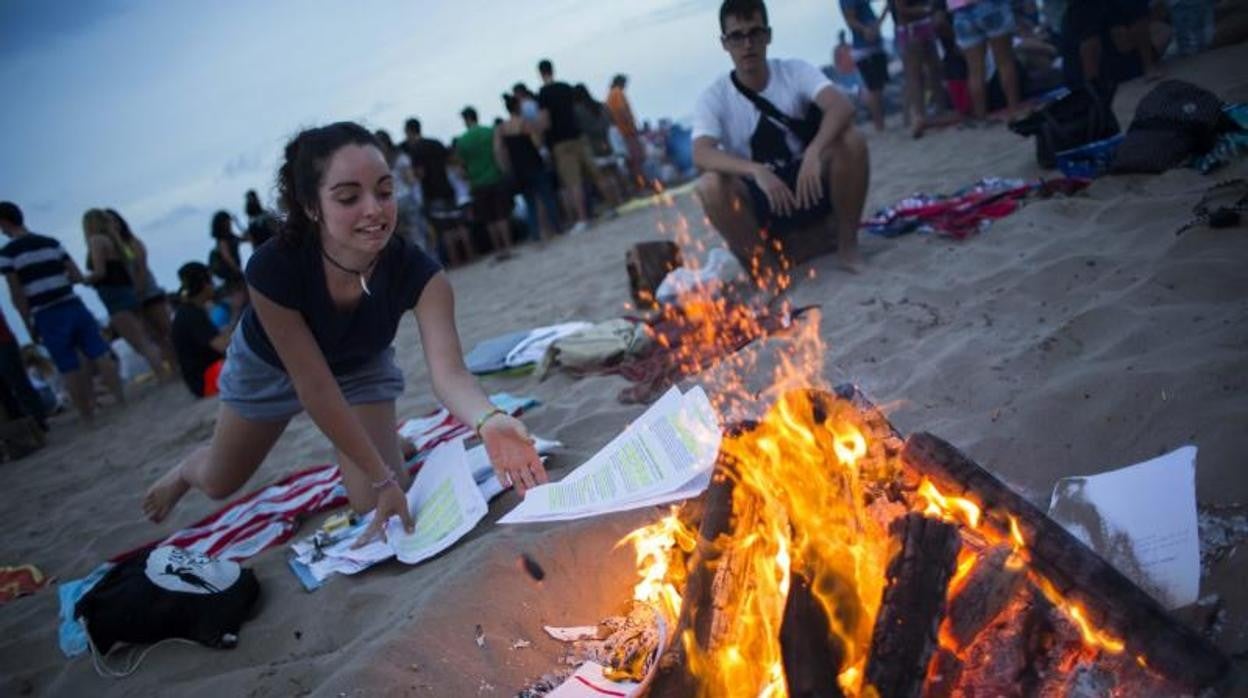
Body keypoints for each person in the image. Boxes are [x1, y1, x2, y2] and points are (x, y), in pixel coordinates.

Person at [141, 123, 546, 539]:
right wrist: (382, 476)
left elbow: (450, 374)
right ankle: (188, 468)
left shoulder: (420, 273)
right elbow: (314, 386)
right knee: (219, 482)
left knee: (372, 503)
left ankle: (378, 441)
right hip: (272, 367)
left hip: (358, 364)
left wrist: (489, 419)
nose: (374, 209)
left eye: (385, 192)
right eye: (350, 197)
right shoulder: (273, 267)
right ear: (312, 205)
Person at [692, 0, 868, 275]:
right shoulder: (715, 96)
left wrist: (814, 151)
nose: (747, 44)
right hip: (763, 198)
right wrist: (755, 170)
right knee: (709, 186)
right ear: (725, 43)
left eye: (755, 33)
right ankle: (768, 271)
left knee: (852, 141)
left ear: (768, 36)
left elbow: (841, 105)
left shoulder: (793, 71)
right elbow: (701, 153)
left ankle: (848, 245)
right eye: (737, 36)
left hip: (809, 183)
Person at [0, 201, 124, 420]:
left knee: (68, 365)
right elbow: (75, 275)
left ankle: (88, 416)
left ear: (4, 223)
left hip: (46, 312)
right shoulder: (51, 243)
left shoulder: (8, 254)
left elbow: (17, 293)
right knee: (98, 351)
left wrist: (28, 323)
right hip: (71, 302)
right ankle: (121, 400)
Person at [82, 208, 171, 382]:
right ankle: (166, 370)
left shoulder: (97, 241)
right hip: (128, 292)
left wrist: (81, 280)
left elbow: (100, 271)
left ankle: (162, 373)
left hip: (116, 296)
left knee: (142, 341)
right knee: (150, 337)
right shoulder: (116, 242)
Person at [536, 59, 619, 235]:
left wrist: (543, 142)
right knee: (596, 174)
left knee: (573, 182)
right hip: (578, 136)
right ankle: (612, 207)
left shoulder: (543, 94)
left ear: (540, 73)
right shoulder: (566, 88)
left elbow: (545, 119)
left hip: (560, 142)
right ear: (553, 70)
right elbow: (575, 111)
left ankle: (583, 219)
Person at [107, 208, 178, 375]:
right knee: (156, 336)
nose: (112, 225)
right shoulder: (112, 249)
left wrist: (138, 290)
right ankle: (173, 367)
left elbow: (141, 267)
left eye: (113, 221)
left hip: (148, 292)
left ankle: (180, 362)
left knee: (166, 330)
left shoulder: (132, 242)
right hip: (135, 296)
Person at [401, 117, 471, 265]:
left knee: (445, 230)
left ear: (409, 131)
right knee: (459, 224)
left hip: (431, 192)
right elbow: (452, 161)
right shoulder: (436, 142)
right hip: (447, 187)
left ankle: (456, 261)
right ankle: (471, 254)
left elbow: (420, 174)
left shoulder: (416, 150)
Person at [499, 94, 561, 240]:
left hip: (518, 170)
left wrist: (506, 168)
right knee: (547, 198)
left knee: (530, 203)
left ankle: (535, 233)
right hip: (533, 164)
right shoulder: (525, 123)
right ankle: (556, 228)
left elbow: (500, 150)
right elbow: (537, 143)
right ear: (518, 107)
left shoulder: (502, 128)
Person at [171, 262, 238, 398]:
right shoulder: (192, 314)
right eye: (210, 280)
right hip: (207, 380)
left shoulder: (187, 311)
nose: (213, 284)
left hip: (202, 380)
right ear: (204, 283)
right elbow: (224, 346)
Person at [455, 107, 514, 259]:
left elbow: (461, 169)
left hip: (477, 183)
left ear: (466, 119)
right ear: (476, 116)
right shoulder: (490, 131)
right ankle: (508, 247)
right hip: (495, 177)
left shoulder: (462, 140)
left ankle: (498, 249)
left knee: (489, 220)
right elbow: (499, 152)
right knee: (501, 215)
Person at [947, 0, 1021, 121]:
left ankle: (981, 115)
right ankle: (1014, 109)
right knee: (1004, 62)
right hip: (991, 5)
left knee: (975, 70)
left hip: (961, 11)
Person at [892, 0, 945, 137]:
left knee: (933, 70)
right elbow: (901, 10)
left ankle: (932, 112)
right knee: (916, 75)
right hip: (911, 28)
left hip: (920, 25)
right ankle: (920, 116)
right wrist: (927, 9)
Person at [840, 0, 888, 131]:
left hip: (872, 45)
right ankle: (879, 124)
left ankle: (880, 124)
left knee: (878, 86)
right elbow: (850, 20)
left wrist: (878, 24)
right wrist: (868, 29)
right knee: (874, 88)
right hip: (864, 48)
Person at [0, 309, 48, 431]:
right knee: (13, 388)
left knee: (19, 385)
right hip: (5, 342)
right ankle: (25, 426)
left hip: (3, 342)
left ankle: (37, 422)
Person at [605, 74, 647, 189]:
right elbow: (621, 110)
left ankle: (638, 183)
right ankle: (641, 184)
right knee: (636, 160)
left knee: (631, 161)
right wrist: (632, 125)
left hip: (620, 133)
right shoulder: (617, 93)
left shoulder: (610, 95)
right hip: (627, 131)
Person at [209, 210, 245, 289]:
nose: (229, 223)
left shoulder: (231, 237)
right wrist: (238, 271)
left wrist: (238, 224)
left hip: (234, 273)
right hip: (232, 274)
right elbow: (227, 258)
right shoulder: (222, 240)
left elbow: (247, 238)